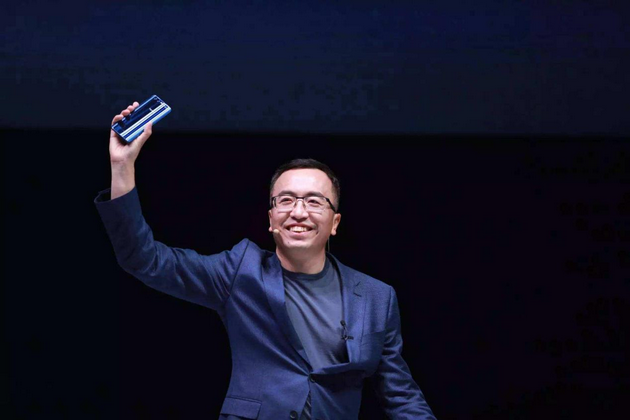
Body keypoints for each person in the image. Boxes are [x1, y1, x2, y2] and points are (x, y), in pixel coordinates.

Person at [94, 101, 437, 419]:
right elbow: (145, 260)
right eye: (285, 200)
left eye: (314, 201)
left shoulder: (377, 297)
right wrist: (122, 166)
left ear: (335, 223)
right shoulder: (239, 271)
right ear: (271, 219)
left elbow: (401, 395)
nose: (298, 212)